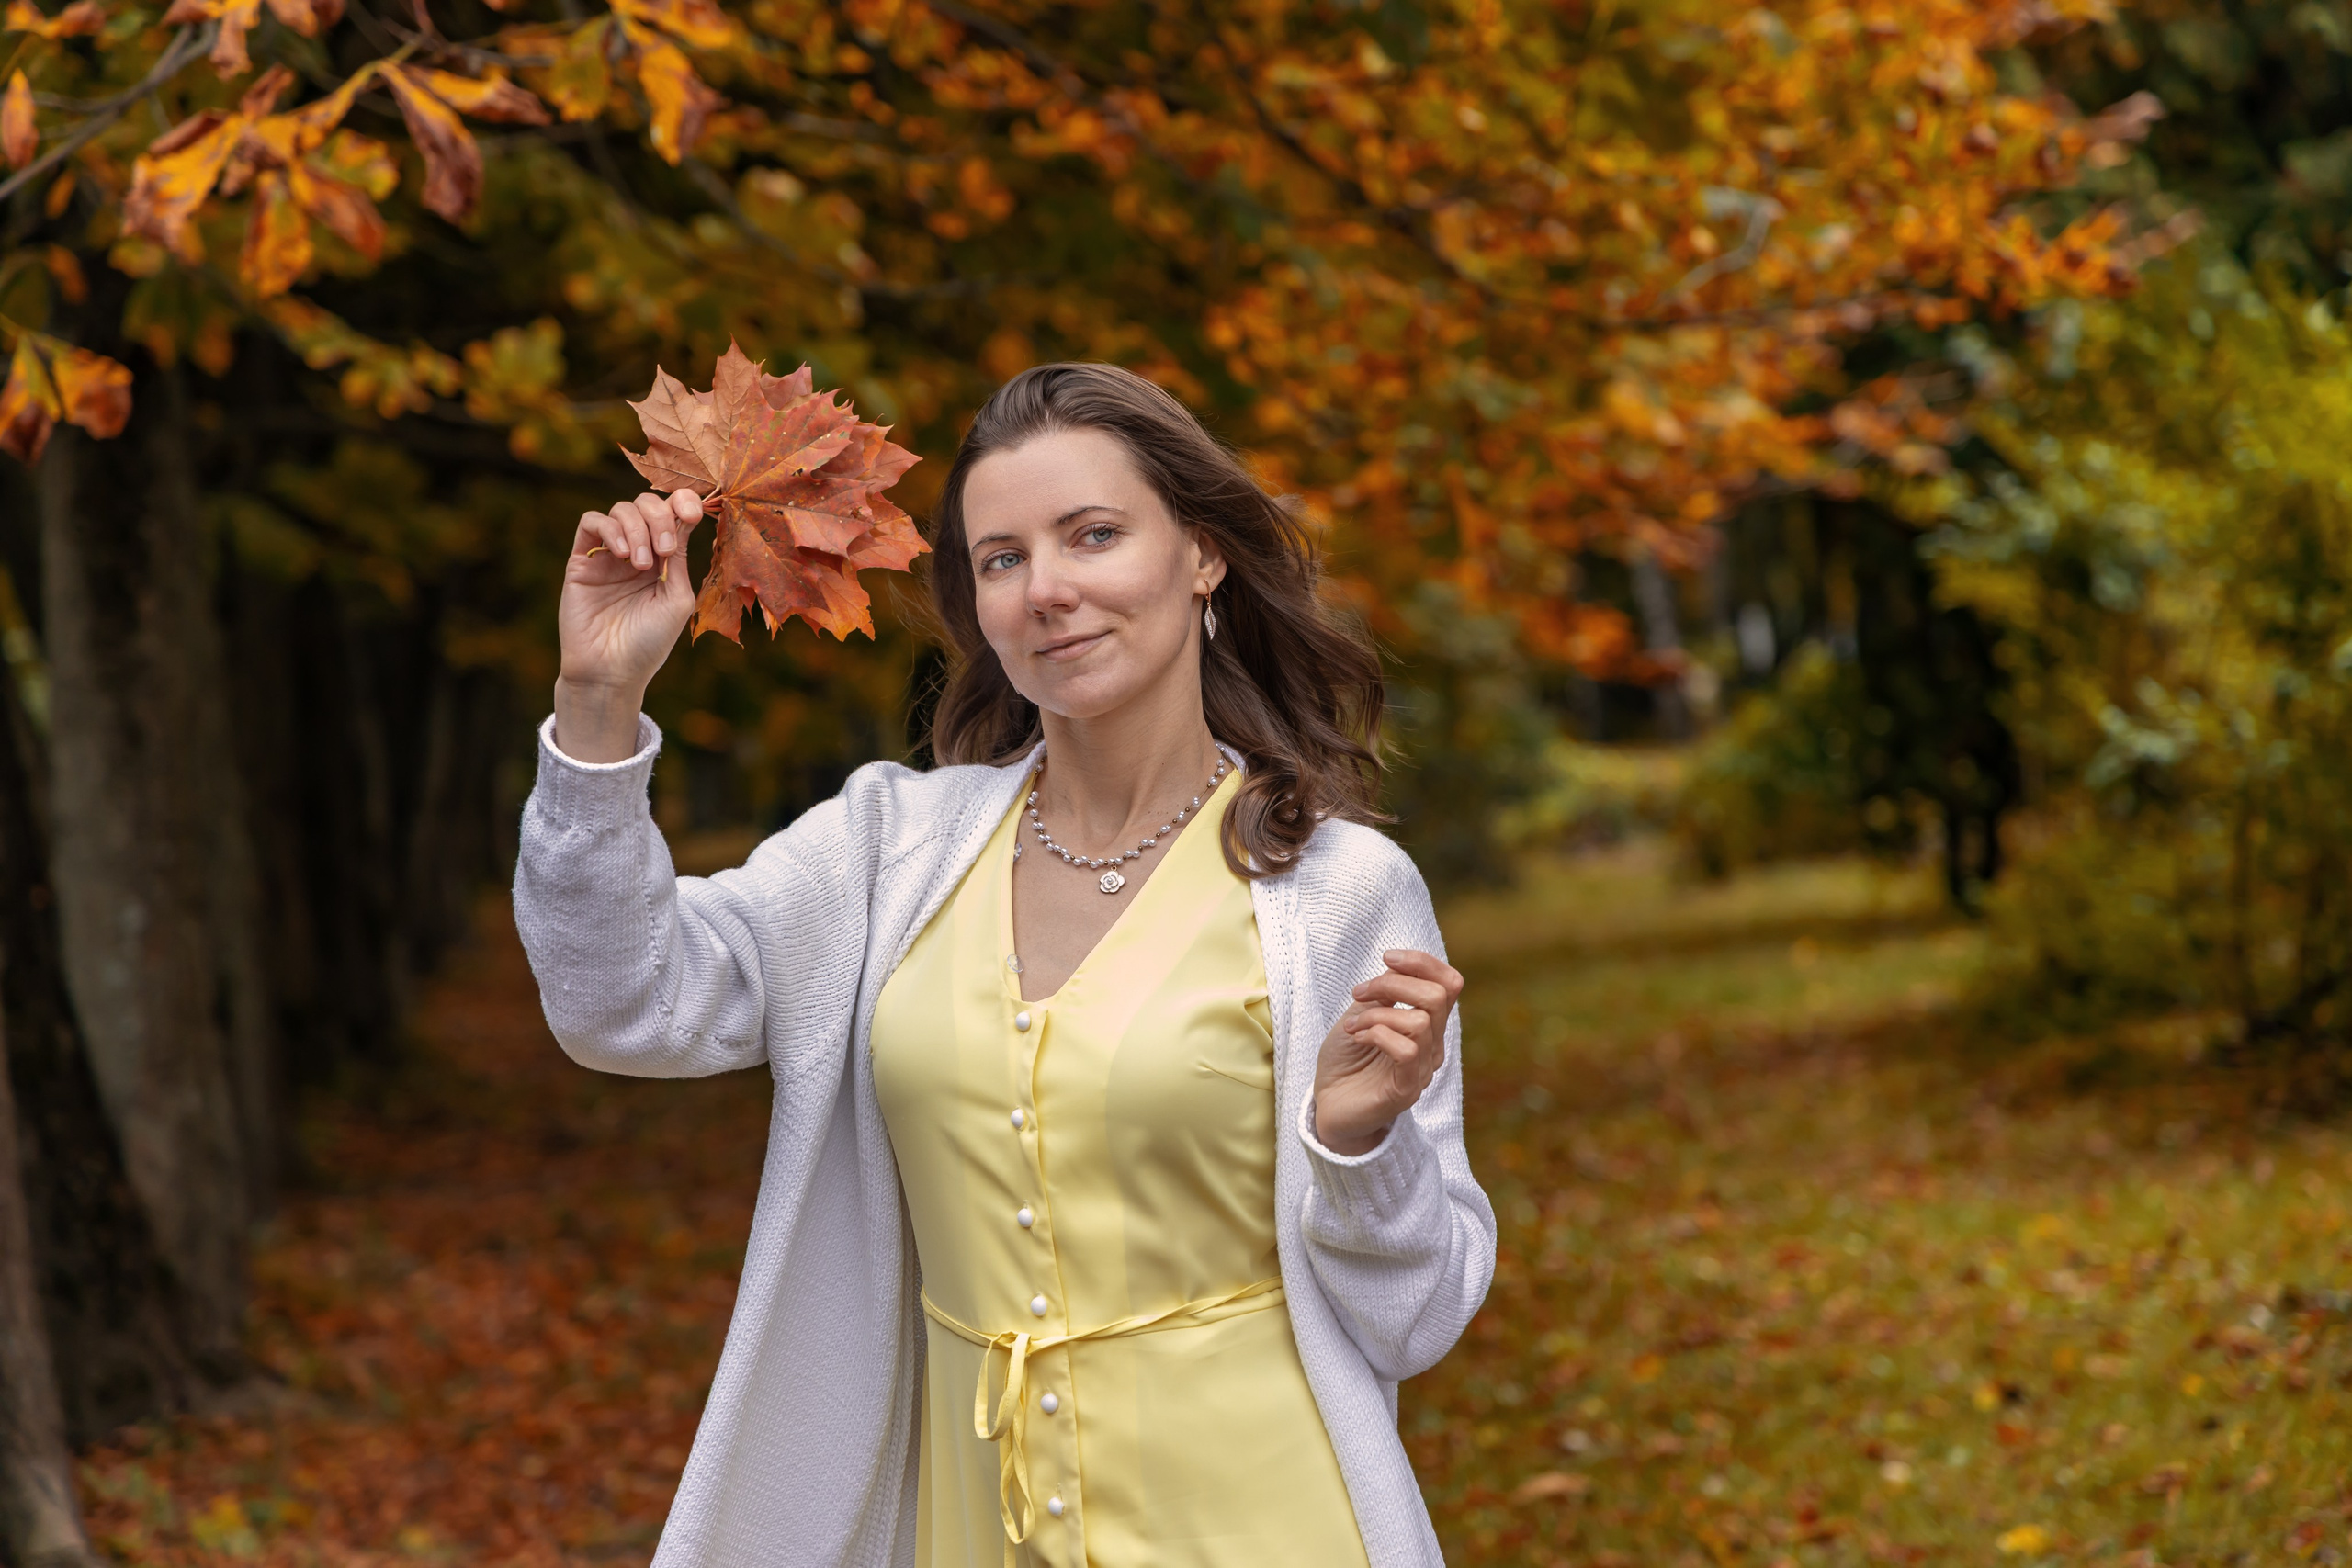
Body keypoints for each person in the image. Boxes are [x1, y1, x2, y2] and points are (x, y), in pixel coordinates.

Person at [514, 362, 1495, 1568]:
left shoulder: (1337, 893)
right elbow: (622, 1005)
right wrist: (597, 704)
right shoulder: (886, 852)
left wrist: (1357, 1147)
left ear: (1202, 555)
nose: (1049, 589)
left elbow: (1419, 1315)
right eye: (1002, 558)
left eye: (1093, 535)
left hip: (1268, 1522)